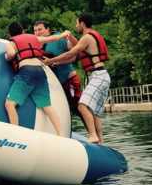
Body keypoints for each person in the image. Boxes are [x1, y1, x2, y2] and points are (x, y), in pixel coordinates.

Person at [44, 14, 110, 144]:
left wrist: (50, 61)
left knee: (82, 106)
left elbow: (71, 53)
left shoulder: (86, 37)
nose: (76, 26)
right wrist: (57, 61)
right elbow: (76, 56)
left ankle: (93, 136)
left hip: (98, 76)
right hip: (100, 75)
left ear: (82, 24)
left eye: (77, 23)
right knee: (93, 112)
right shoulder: (92, 36)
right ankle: (100, 141)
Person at [4, 22, 70, 136]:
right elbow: (52, 38)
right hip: (40, 72)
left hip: (27, 72)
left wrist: (6, 56)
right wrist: (64, 34)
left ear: (10, 34)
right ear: (23, 31)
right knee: (46, 105)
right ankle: (61, 134)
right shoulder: (34, 37)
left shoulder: (11, 42)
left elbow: (10, 54)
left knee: (9, 104)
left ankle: (15, 134)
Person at [33, 20, 82, 113]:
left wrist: (70, 36)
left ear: (48, 29)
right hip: (55, 85)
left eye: (40, 29)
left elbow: (77, 50)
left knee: (79, 109)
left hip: (69, 81)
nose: (37, 33)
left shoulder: (59, 38)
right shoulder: (36, 44)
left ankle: (93, 128)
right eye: (35, 30)